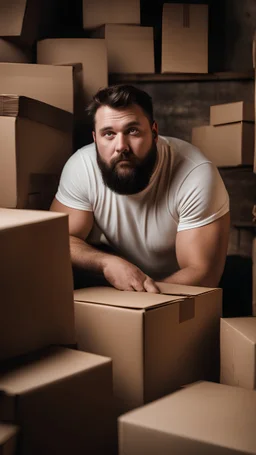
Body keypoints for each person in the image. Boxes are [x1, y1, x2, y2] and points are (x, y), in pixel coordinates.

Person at [50, 84, 230, 293]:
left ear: (154, 132)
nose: (121, 146)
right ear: (95, 139)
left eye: (133, 131)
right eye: (108, 134)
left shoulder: (195, 174)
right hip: (119, 278)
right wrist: (106, 263)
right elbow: (58, 239)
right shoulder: (82, 166)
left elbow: (202, 274)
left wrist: (139, 297)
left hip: (177, 288)